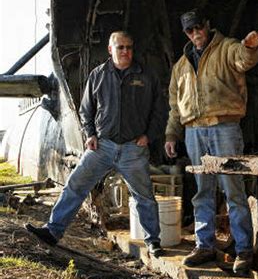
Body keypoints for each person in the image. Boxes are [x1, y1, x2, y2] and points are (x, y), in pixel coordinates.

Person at [26, 31, 165, 257]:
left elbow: (160, 110)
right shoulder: (98, 76)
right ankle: (52, 231)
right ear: (110, 49)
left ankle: (153, 242)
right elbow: (86, 110)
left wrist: (149, 135)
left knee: (144, 197)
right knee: (76, 185)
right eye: (120, 47)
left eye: (129, 47)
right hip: (103, 147)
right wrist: (90, 134)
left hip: (133, 148)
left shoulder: (146, 76)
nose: (126, 52)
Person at [164, 9, 258, 274]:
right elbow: (176, 106)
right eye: (190, 30)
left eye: (199, 27)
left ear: (207, 26)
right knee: (202, 192)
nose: (196, 34)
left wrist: (249, 46)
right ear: (185, 33)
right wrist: (171, 134)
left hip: (225, 127)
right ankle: (204, 245)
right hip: (193, 131)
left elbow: (243, 60)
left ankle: (244, 250)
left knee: (233, 189)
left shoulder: (227, 48)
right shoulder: (181, 66)